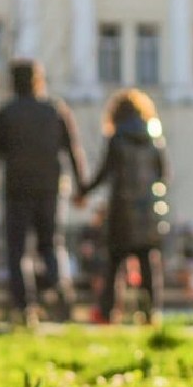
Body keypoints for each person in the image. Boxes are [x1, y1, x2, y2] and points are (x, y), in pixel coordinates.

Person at [0, 59, 87, 325]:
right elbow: (73, 151)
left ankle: (25, 307)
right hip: (49, 189)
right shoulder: (55, 110)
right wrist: (81, 188)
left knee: (17, 250)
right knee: (50, 244)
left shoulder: (7, 114)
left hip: (17, 189)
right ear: (39, 80)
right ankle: (58, 288)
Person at [77, 88, 169, 325]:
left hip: (122, 210)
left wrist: (83, 191)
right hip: (147, 210)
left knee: (114, 262)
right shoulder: (153, 138)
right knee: (148, 261)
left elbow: (104, 173)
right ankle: (149, 312)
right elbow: (164, 174)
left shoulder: (117, 138)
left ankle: (108, 312)